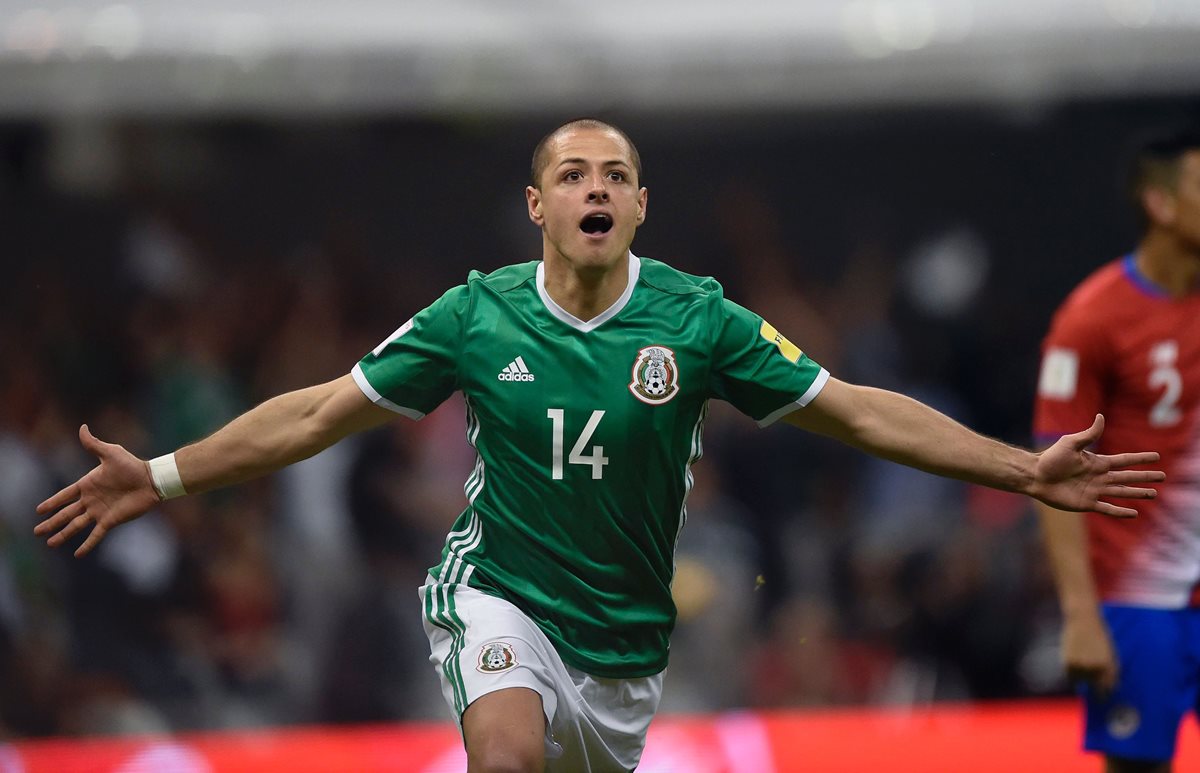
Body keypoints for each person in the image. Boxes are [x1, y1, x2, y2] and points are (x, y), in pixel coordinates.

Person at [38, 118, 1163, 773]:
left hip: (624, 646)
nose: (595, 188)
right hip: (499, 593)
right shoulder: (474, 316)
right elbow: (320, 411)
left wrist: (1021, 466)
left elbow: (858, 408)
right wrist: (168, 471)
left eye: (614, 175)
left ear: (637, 206)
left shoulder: (699, 320)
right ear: (537, 204)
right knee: (510, 754)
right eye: (572, 174)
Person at [1034, 125, 1200, 773]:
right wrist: (1079, 613)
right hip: (1139, 598)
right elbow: (1053, 471)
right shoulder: (1092, 320)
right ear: (1160, 205)